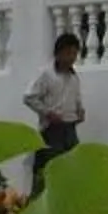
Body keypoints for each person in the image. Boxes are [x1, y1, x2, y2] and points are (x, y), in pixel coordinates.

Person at [23, 30, 84, 191]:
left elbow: (76, 98)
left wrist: (80, 110)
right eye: (69, 53)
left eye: (75, 53)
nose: (72, 57)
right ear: (59, 53)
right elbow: (29, 97)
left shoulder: (74, 77)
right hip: (52, 130)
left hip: (70, 129)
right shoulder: (46, 74)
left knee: (72, 168)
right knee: (50, 169)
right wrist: (47, 112)